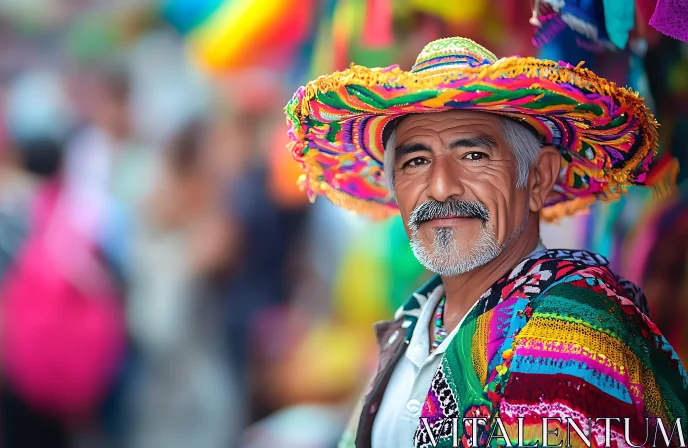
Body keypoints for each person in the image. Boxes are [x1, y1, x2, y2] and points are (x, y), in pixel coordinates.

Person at [285, 37, 688, 447]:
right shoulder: (411, 327)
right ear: (395, 190)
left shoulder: (574, 327)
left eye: (473, 156)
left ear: (538, 178)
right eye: (416, 161)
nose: (440, 187)